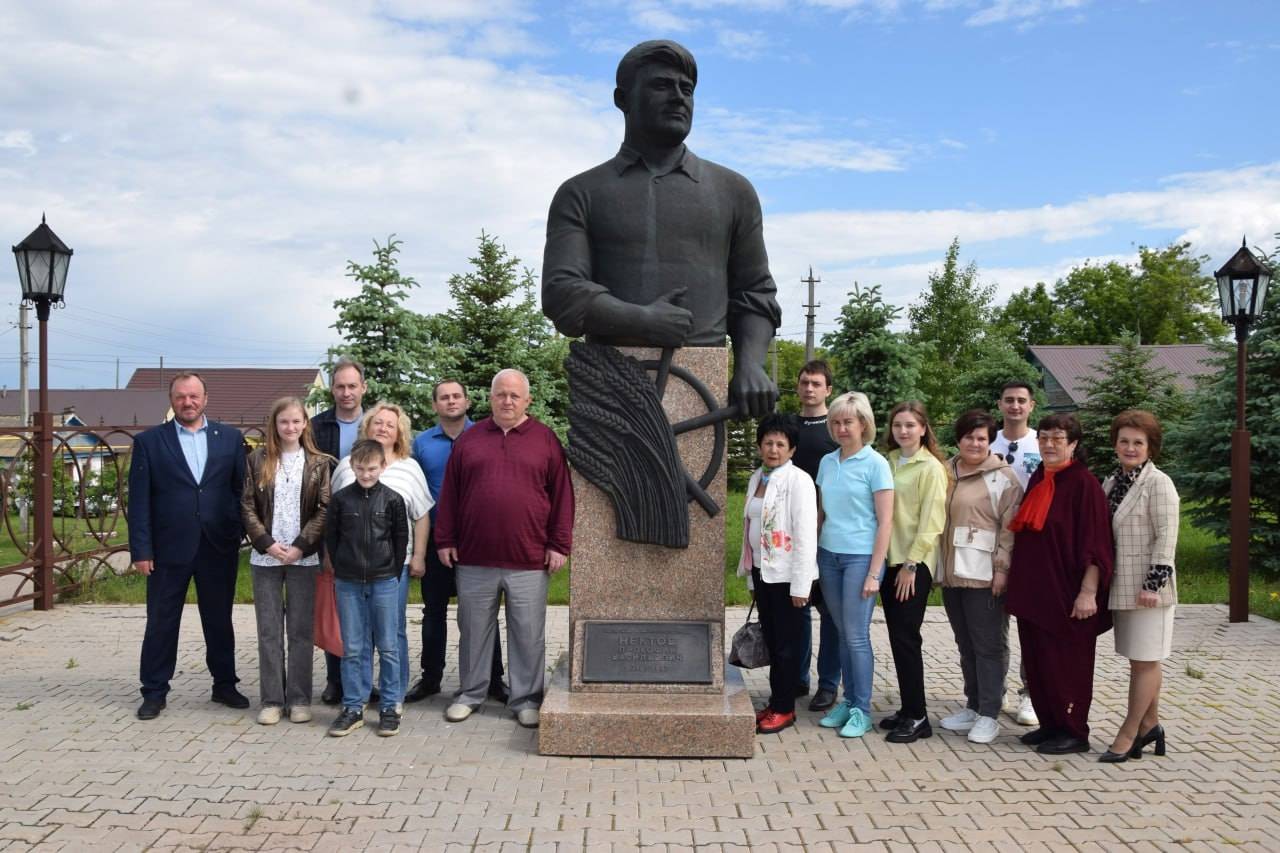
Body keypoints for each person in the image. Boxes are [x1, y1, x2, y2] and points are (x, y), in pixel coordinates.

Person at [542, 39, 781, 417]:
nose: (678, 97)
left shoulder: (733, 191)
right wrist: (641, 320)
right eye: (661, 85)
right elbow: (561, 293)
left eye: (686, 89)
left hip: (703, 384)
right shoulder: (581, 193)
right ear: (623, 98)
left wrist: (750, 363)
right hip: (610, 378)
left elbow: (755, 293)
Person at [436, 369, 575, 730]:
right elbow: (450, 493)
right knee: (474, 631)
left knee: (528, 634)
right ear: (490, 398)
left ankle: (526, 698)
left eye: (515, 395)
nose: (507, 401)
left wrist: (559, 544)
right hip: (474, 557)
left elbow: (563, 497)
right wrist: (446, 539)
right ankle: (470, 694)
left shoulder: (545, 440)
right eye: (501, 395)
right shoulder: (470, 440)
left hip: (529, 558)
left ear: (527, 400)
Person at [129, 372, 247, 720]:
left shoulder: (229, 439)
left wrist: (237, 532)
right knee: (162, 621)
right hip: (167, 549)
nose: (188, 402)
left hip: (217, 546)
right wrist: (142, 549)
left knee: (219, 619)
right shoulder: (150, 442)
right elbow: (139, 501)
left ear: (205, 399)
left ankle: (224, 684)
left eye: (194, 396)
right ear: (172, 399)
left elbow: (241, 491)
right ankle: (154, 690)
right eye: (181, 396)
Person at [1006, 413, 1114, 755]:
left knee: (1067, 665)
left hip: (1069, 594)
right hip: (1037, 592)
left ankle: (1073, 730)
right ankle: (1050, 724)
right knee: (1039, 662)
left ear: (1073, 444)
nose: (1050, 444)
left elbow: (1095, 544)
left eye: (1058, 439)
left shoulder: (1084, 484)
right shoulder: (1040, 476)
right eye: (1045, 438)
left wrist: (1088, 592)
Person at [406, 380, 506, 703]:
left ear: (467, 401)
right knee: (433, 612)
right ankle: (431, 679)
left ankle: (493, 680)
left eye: (456, 396)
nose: (451, 402)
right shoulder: (421, 444)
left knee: (482, 613)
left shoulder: (486, 437)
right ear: (435, 405)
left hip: (478, 542)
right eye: (444, 398)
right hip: (436, 542)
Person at [330, 402, 432, 706]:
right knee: (356, 635)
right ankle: (358, 695)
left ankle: (394, 694)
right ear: (367, 427)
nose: (383, 428)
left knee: (392, 632)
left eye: (390, 424)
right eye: (378, 422)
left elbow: (422, 515)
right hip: (350, 567)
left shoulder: (409, 466)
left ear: (399, 432)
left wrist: (419, 556)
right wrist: (331, 557)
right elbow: (332, 516)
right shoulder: (347, 465)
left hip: (393, 566)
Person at [240, 397, 332, 725]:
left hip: (302, 558)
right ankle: (271, 700)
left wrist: (301, 546)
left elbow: (324, 508)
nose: (290, 428)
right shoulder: (257, 459)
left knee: (300, 630)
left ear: (305, 423)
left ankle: (299, 698)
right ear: (274, 425)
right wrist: (265, 543)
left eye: (296, 421)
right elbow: (247, 505)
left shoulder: (319, 463)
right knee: (268, 630)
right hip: (266, 558)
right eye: (284, 422)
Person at [936, 410, 1023, 746]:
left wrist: (1002, 570)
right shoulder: (945, 472)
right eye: (969, 436)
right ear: (959, 439)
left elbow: (1010, 529)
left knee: (989, 646)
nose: (975, 443)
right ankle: (973, 705)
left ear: (990, 442)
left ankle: (990, 713)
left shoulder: (1003, 478)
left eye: (982, 438)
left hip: (985, 576)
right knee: (965, 643)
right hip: (952, 573)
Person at [1098, 410, 1179, 763]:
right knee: (1140, 661)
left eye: (1138, 442)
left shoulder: (1158, 482)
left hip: (1149, 592)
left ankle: (1129, 733)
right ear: (1116, 444)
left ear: (1150, 447)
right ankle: (1151, 726)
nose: (1130, 448)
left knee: (1146, 661)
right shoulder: (1112, 481)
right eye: (1124, 441)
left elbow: (1167, 537)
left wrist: (1154, 585)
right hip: (1122, 586)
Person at [814, 391, 894, 739]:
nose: (841, 427)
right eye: (836, 422)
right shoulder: (827, 462)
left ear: (863, 424)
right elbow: (820, 514)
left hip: (861, 557)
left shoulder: (876, 464)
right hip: (828, 555)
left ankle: (862, 709)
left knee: (857, 636)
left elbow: (885, 522)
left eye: (848, 421)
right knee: (843, 632)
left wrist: (875, 572)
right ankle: (847, 702)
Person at [736, 414, 818, 734]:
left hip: (787, 577)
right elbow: (749, 530)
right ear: (760, 446)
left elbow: (806, 535)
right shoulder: (758, 477)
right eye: (768, 442)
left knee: (786, 645)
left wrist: (801, 585)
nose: (773, 449)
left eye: (781, 444)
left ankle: (784, 709)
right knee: (772, 640)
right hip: (763, 572)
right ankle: (775, 702)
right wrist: (750, 576)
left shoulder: (798, 481)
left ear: (792, 449)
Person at [325, 439, 409, 737]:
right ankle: (353, 706)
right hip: (348, 581)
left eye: (372, 469)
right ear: (352, 466)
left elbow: (401, 540)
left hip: (384, 579)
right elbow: (332, 538)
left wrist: (392, 571)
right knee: (353, 647)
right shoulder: (341, 500)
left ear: (383, 466)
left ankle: (389, 706)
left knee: (388, 645)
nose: (366, 475)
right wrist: (343, 566)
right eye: (360, 469)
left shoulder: (393, 500)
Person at [878, 401, 948, 744]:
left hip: (911, 565)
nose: (903, 431)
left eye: (910, 425)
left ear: (923, 429)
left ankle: (919, 717)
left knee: (907, 638)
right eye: (897, 425)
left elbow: (932, 522)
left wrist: (911, 564)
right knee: (897, 637)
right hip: (887, 562)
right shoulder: (888, 462)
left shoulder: (930, 467)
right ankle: (907, 709)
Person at [311, 357, 368, 705]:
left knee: (368, 606)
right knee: (335, 604)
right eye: (340, 386)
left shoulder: (376, 423)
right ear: (332, 390)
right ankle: (335, 679)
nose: (346, 393)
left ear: (363, 387)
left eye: (352, 386)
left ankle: (363, 680)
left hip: (370, 526)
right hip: (330, 525)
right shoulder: (317, 427)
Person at [790, 360, 842, 713]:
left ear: (828, 390)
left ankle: (828, 684)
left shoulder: (834, 430)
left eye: (816, 384)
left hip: (828, 532)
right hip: (791, 534)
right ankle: (797, 676)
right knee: (798, 607)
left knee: (831, 612)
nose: (809, 388)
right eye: (805, 382)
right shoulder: (788, 426)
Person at [990, 379, 1041, 727]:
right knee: (993, 625)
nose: (1015, 406)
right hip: (991, 543)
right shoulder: (986, 441)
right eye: (1009, 400)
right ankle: (996, 691)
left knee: (1030, 624)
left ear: (1031, 406)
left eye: (1021, 401)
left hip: (1031, 544)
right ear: (1000, 404)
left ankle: (1030, 695)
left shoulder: (1042, 442)